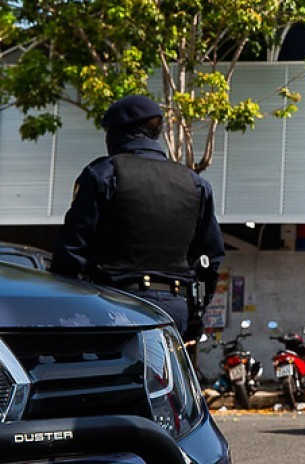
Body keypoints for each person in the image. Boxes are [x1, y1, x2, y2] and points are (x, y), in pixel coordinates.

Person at [51, 94, 225, 342]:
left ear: (117, 133)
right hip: (175, 311)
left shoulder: (103, 174)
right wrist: (196, 312)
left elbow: (70, 250)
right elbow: (210, 259)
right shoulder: (195, 183)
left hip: (114, 306)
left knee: (111, 379)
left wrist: (68, 309)